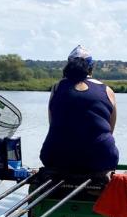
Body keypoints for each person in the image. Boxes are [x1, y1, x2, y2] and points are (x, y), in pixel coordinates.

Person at [39, 45, 119, 175]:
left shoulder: (57, 87)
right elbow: (110, 129)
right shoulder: (107, 90)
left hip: (56, 157)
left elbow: (52, 123)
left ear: (69, 66)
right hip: (102, 159)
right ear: (91, 68)